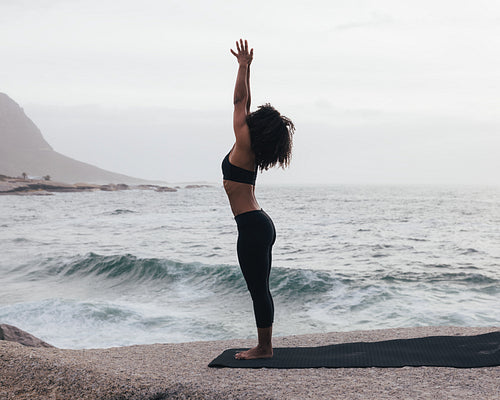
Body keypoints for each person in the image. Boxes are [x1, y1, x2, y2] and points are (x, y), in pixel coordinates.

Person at [222, 39, 295, 360]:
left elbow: (239, 101)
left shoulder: (244, 141)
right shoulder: (252, 148)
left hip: (251, 226)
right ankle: (265, 345)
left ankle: (264, 348)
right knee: (260, 288)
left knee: (257, 290)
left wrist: (241, 67)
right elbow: (244, 104)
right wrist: (247, 67)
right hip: (258, 222)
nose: (248, 117)